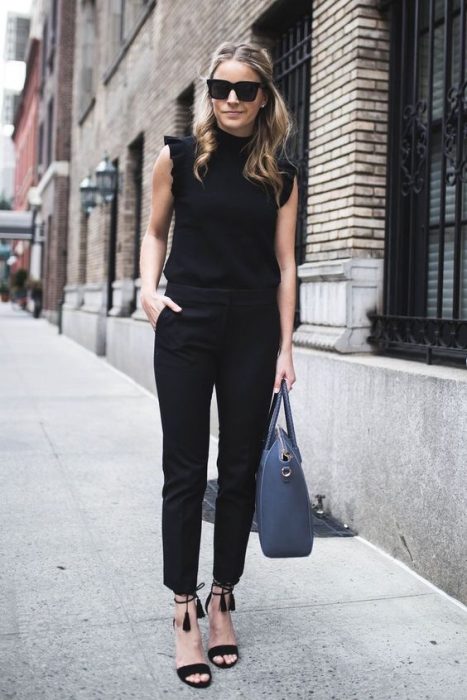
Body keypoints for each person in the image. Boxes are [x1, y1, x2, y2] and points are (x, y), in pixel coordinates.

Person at [140, 40, 298, 689]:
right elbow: (154, 232)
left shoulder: (280, 175)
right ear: (209, 93)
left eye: (243, 89)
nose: (229, 100)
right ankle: (183, 608)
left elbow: (286, 264)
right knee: (183, 469)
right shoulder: (178, 156)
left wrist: (287, 346)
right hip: (187, 319)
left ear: (264, 99)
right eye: (219, 88)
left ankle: (223, 597)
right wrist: (147, 293)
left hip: (255, 326)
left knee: (236, 471)